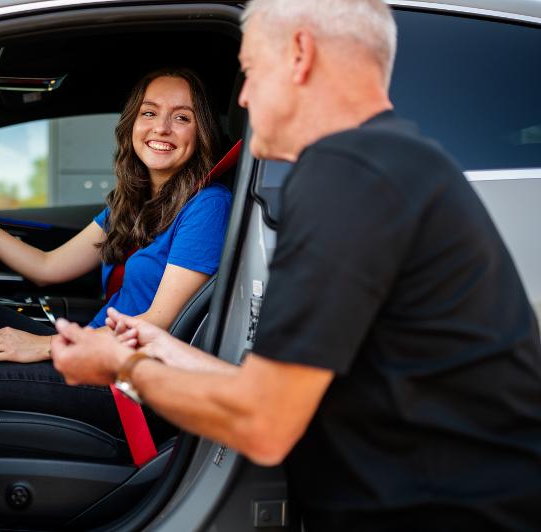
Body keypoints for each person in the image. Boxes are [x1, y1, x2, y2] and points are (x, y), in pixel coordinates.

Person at [51, 0, 541, 529]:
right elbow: (279, 388)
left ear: (300, 54)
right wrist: (160, 346)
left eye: (253, 70)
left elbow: (265, 421)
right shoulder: (390, 162)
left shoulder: (349, 174)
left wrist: (122, 368)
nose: (243, 96)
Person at [0, 68, 232, 439]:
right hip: (91, 353)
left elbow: (155, 326)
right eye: (149, 112)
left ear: (202, 132)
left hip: (127, 386)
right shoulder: (131, 203)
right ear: (133, 122)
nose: (161, 127)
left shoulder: (208, 205)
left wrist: (45, 344)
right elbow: (47, 267)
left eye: (181, 117)